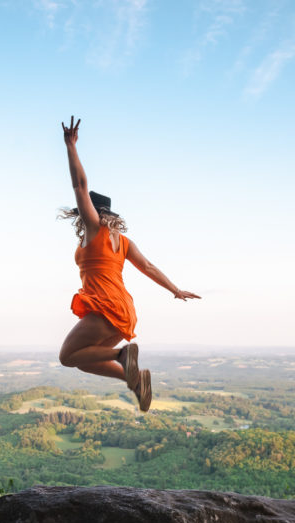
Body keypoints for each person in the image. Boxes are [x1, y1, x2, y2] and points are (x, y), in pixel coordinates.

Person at [58, 116, 199, 412]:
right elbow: (147, 267)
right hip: (125, 312)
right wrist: (175, 289)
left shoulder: (95, 229)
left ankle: (124, 356)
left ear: (92, 213)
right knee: (86, 360)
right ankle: (134, 380)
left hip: (105, 307)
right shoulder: (122, 241)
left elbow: (80, 186)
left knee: (67, 356)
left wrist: (70, 147)